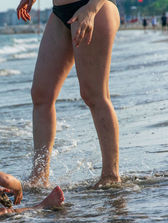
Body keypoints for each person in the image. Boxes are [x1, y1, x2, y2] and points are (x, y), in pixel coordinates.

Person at [16, 0, 121, 188]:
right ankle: (39, 175)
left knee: (94, 94)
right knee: (41, 95)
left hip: (94, 6)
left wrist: (91, 9)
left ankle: (111, 174)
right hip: (60, 13)